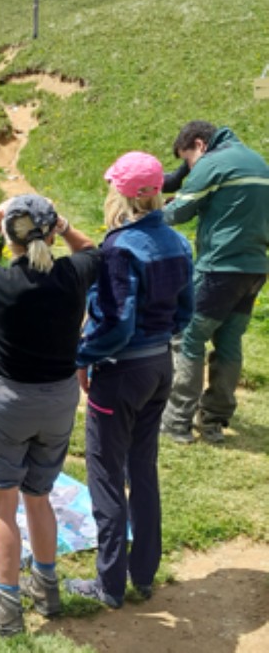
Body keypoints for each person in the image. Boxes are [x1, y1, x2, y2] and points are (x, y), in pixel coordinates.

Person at [0, 194, 100, 636]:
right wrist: (64, 222)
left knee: (1, 506)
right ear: (51, 230)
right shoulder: (73, 277)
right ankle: (47, 588)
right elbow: (93, 251)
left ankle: (6, 607)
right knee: (40, 496)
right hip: (59, 397)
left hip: (7, 401)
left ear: (8, 235)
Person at [65, 152, 194, 609]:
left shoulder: (120, 247)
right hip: (161, 365)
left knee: (103, 473)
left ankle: (109, 583)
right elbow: (186, 312)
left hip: (120, 373)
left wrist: (83, 355)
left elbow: (116, 322)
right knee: (143, 469)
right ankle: (143, 574)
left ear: (120, 193)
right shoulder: (179, 242)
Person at [160, 122, 269, 444]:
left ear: (199, 144)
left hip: (219, 268)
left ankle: (177, 421)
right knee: (230, 339)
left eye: (187, 159)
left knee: (188, 337)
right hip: (255, 267)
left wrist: (143, 216)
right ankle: (214, 421)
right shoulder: (256, 160)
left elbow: (179, 212)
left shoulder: (212, 163)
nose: (189, 168)